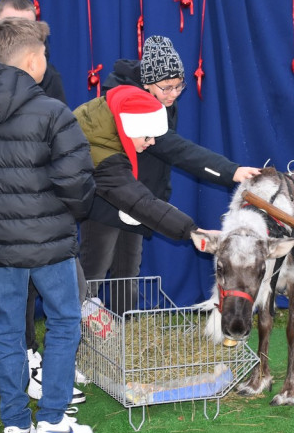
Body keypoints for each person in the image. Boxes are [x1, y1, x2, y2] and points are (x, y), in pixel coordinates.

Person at [0, 17, 96, 433]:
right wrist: (68, 213)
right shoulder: (52, 113)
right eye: (45, 54)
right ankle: (52, 421)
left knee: (10, 329)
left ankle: (15, 427)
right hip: (49, 242)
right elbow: (77, 183)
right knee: (65, 322)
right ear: (33, 60)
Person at [80, 35, 259, 306]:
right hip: (109, 199)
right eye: (167, 87)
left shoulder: (163, 101)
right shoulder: (135, 106)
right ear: (147, 82)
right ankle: (79, 331)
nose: (174, 94)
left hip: (143, 201)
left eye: (179, 86)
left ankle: (120, 330)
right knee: (93, 269)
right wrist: (229, 171)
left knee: (128, 272)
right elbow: (175, 148)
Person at [74, 85, 209, 291]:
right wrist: (192, 231)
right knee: (87, 273)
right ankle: (74, 320)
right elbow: (141, 202)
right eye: (147, 136)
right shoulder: (104, 155)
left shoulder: (107, 120)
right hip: (41, 218)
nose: (152, 142)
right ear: (130, 128)